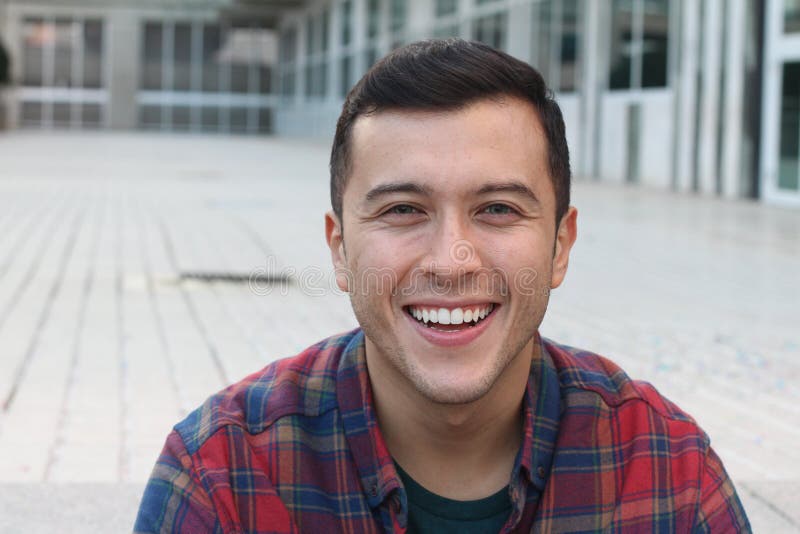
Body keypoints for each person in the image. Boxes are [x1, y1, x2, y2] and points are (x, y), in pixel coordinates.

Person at [135, 39, 750, 533]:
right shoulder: (224, 476)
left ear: (560, 245)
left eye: (499, 209)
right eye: (403, 209)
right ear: (341, 249)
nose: (451, 261)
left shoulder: (668, 470)